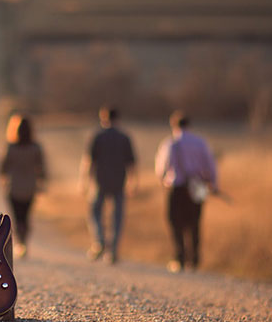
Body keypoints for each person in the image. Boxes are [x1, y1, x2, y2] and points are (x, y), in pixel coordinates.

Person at [154, 110, 219, 272]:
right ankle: (195, 259)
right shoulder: (200, 142)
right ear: (189, 124)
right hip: (199, 187)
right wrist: (213, 184)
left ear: (173, 125)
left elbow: (161, 169)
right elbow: (211, 165)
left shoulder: (170, 144)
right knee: (195, 222)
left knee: (175, 221)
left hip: (177, 187)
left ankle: (180, 256)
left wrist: (162, 180)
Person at [80, 106, 138, 263]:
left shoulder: (97, 136)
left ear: (103, 118)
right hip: (119, 181)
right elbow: (131, 163)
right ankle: (112, 251)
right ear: (118, 118)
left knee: (94, 212)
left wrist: (84, 180)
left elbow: (89, 160)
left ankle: (99, 241)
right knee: (117, 216)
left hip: (100, 181)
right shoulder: (124, 137)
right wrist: (133, 182)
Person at [0, 114, 46, 258]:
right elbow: (41, 168)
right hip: (30, 187)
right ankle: (24, 241)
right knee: (26, 216)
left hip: (13, 187)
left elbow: (2, 168)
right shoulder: (36, 147)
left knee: (17, 216)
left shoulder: (10, 147)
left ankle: (20, 243)